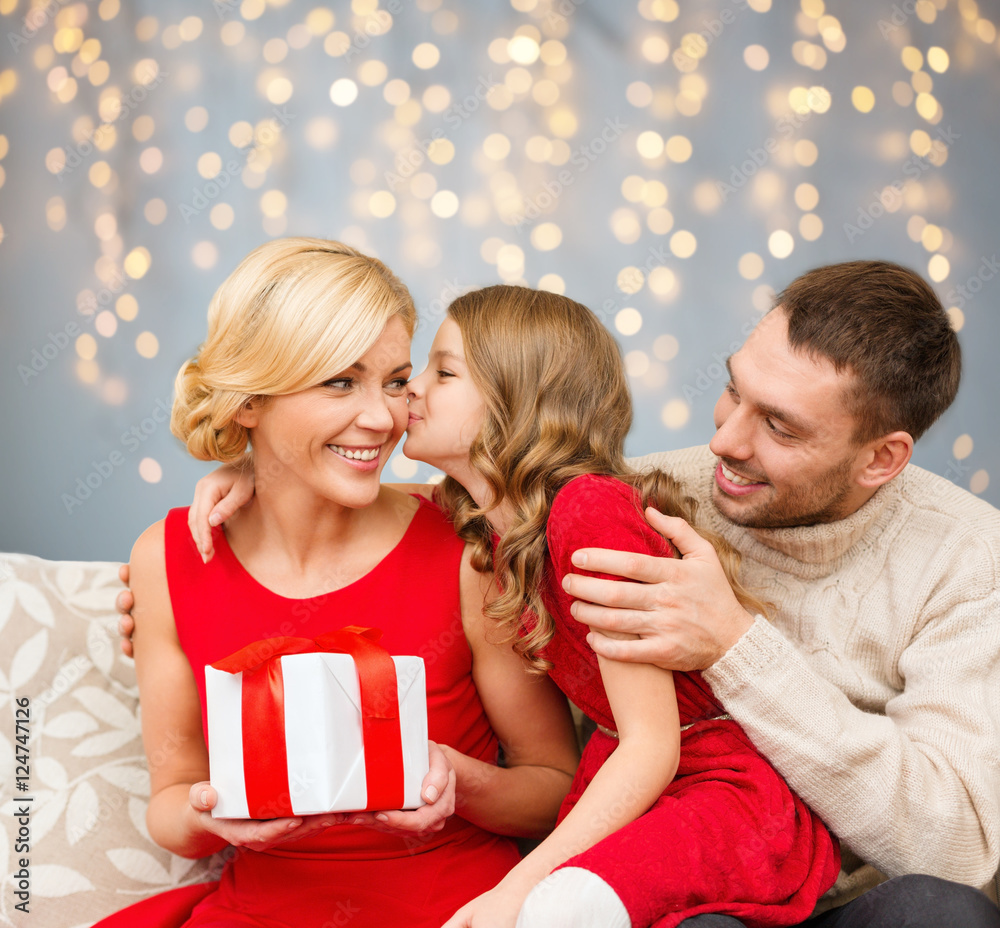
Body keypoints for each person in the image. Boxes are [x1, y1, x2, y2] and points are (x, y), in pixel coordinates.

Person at [120, 260, 1000, 926]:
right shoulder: (560, 507)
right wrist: (258, 471)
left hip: (768, 839)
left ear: (880, 457)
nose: (725, 441)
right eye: (733, 390)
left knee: (940, 914)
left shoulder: (968, 561)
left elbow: (958, 847)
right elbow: (466, 494)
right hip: (679, 864)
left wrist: (735, 642)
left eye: (780, 427)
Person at [98, 238, 580, 928]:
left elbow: (554, 787)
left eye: (395, 381)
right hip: (258, 912)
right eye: (340, 382)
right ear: (248, 400)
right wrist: (213, 816)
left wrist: (456, 778)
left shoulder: (464, 546)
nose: (383, 419)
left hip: (453, 908)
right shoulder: (166, 559)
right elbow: (171, 803)